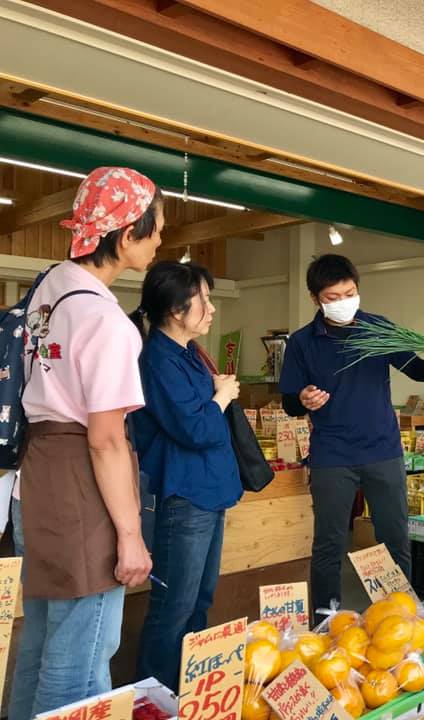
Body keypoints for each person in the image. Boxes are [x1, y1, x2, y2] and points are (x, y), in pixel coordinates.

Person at [9, 167, 160, 719]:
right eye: (157, 228)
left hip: (35, 478)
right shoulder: (105, 321)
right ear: (128, 234)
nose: (161, 240)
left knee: (40, 642)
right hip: (81, 484)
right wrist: (130, 536)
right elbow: (106, 440)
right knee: (82, 660)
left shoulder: (49, 290)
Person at [279, 254, 424, 619]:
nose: (343, 302)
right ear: (315, 299)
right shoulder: (302, 342)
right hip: (332, 455)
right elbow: (290, 402)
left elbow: (416, 369)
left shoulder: (378, 328)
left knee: (395, 538)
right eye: (333, 297)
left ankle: (399, 618)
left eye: (350, 293)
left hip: (383, 450)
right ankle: (325, 621)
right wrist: (303, 399)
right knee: (329, 544)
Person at [130, 261, 242, 689]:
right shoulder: (158, 359)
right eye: (204, 300)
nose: (211, 309)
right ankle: (152, 699)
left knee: (199, 600)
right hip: (184, 497)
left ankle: (188, 694)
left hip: (208, 493)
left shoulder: (189, 353)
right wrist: (221, 396)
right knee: (173, 605)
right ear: (176, 310)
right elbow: (195, 428)